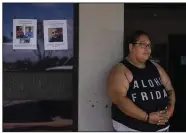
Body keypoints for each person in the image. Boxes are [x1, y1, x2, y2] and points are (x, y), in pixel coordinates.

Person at [107, 30, 176, 132]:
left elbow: (170, 89)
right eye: (142, 45)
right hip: (133, 129)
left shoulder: (156, 67)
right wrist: (147, 117)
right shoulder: (121, 70)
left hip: (162, 128)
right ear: (131, 47)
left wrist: (170, 111)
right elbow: (119, 100)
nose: (147, 48)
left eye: (149, 45)